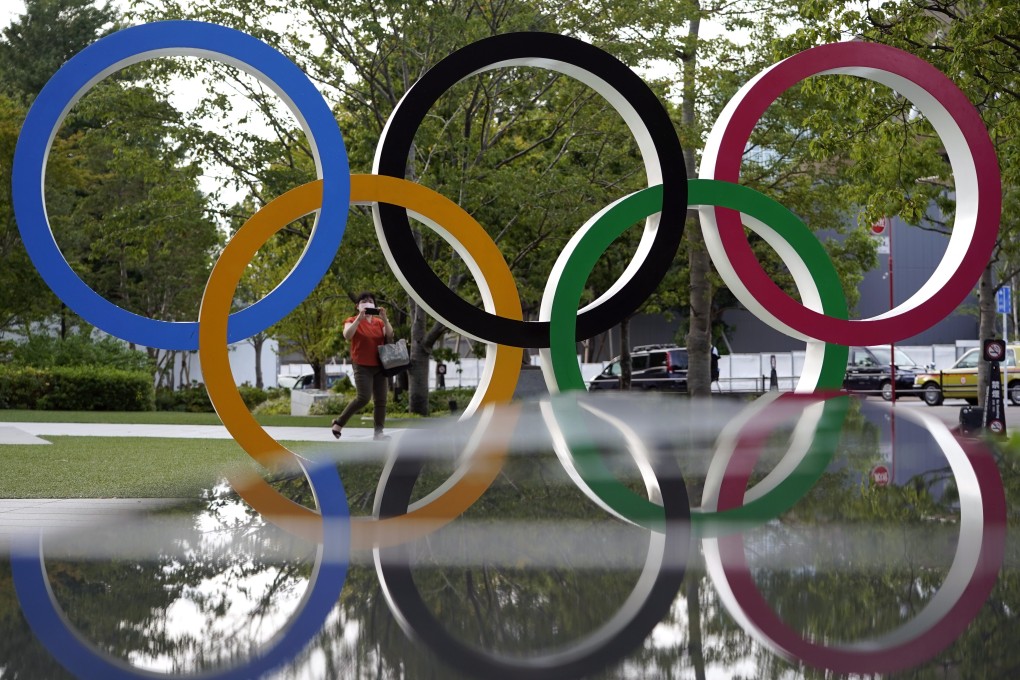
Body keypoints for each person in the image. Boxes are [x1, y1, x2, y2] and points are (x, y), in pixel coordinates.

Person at [330, 292, 394, 441]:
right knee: (363, 398)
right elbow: (347, 335)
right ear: (357, 306)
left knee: (381, 401)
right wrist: (359, 318)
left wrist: (384, 318)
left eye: (370, 300)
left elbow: (389, 335)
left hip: (380, 366)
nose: (367, 302)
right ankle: (339, 422)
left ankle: (379, 433)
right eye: (363, 301)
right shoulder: (352, 320)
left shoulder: (379, 323)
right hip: (362, 366)